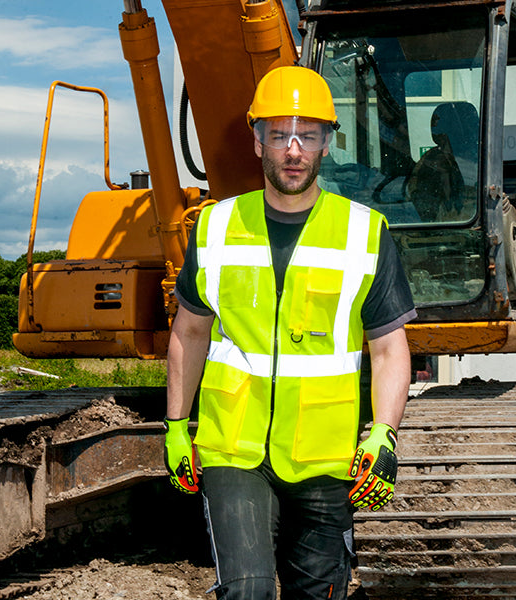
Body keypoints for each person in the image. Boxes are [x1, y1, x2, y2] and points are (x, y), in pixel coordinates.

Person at [165, 65, 417, 600]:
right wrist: (174, 426)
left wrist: (382, 432)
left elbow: (390, 347)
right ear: (257, 141)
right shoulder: (214, 227)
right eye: (279, 135)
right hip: (233, 449)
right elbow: (190, 333)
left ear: (327, 142)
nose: (293, 149)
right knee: (248, 590)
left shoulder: (365, 233)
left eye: (308, 135)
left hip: (326, 456)